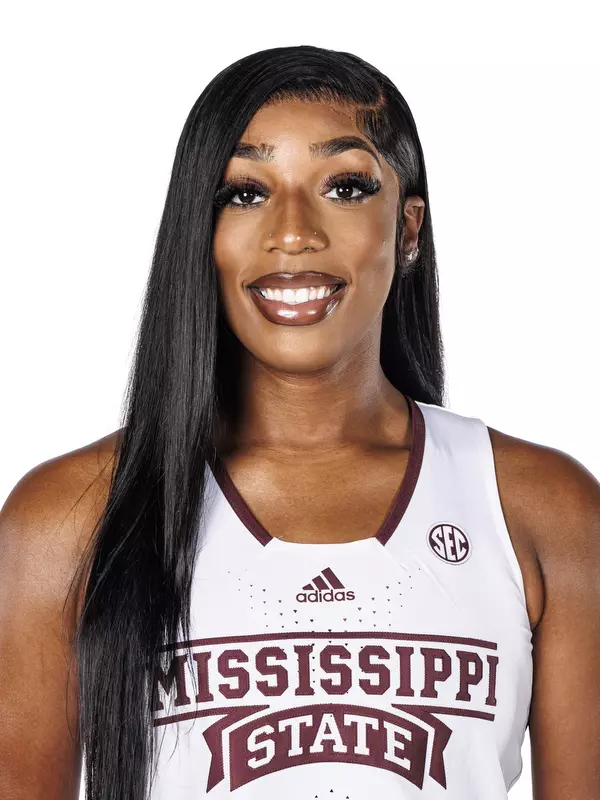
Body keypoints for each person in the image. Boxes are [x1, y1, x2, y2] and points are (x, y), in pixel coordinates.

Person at [1, 44, 599, 800]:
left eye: (345, 186)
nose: (292, 232)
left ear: (408, 230)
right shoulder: (68, 517)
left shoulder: (541, 509)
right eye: (246, 193)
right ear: (200, 231)